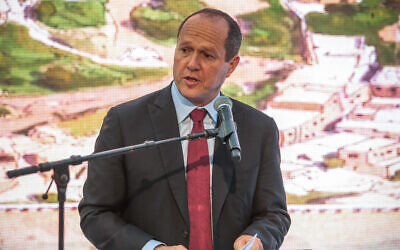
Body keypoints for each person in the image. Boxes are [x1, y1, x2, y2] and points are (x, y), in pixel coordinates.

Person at [79, 8, 290, 250]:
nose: (191, 64)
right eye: (185, 50)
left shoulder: (258, 129)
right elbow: (96, 212)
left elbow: (274, 214)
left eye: (207, 55)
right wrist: (152, 249)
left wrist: (258, 240)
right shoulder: (125, 122)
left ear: (231, 66)